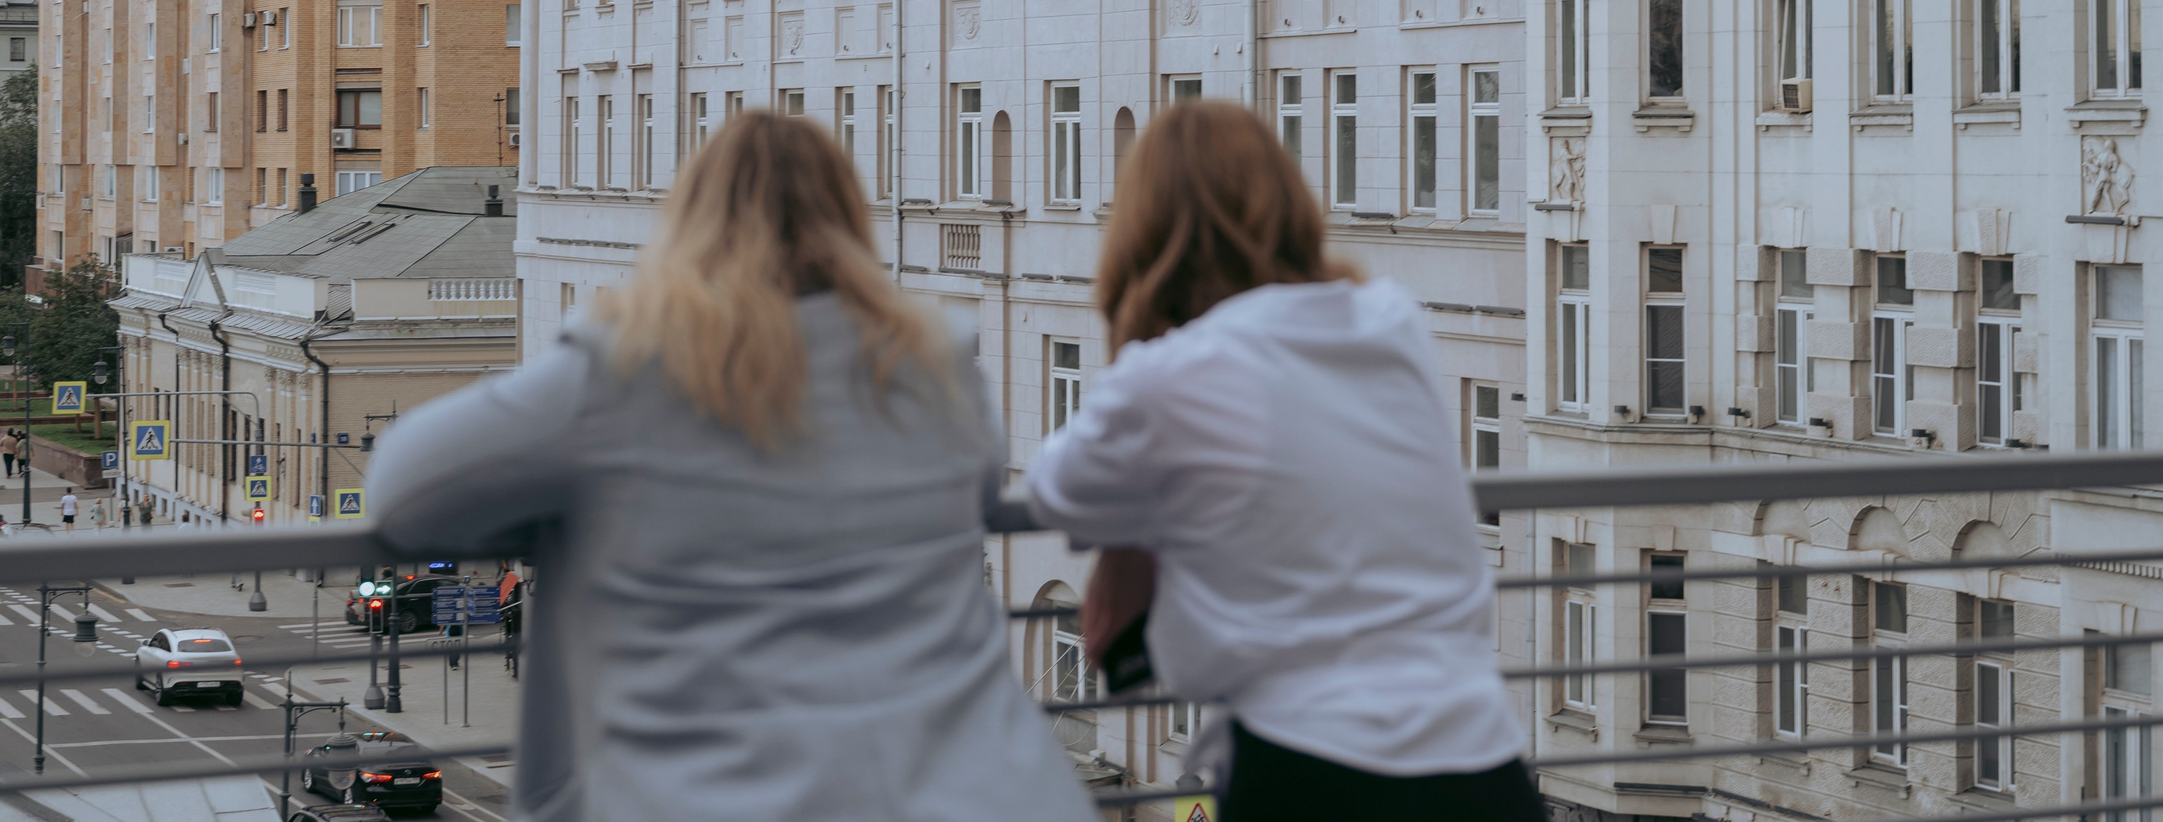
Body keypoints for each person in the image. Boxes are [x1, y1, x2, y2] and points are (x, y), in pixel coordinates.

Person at [368, 111, 1090, 822]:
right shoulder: (935, 368)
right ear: (851, 224)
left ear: (687, 223)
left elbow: (403, 490)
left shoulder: (628, 369)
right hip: (991, 788)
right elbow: (978, 478)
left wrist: (578, 493)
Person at [1027, 100, 1537, 822]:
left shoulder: (1177, 372)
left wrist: (1132, 533)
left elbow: (1056, 488)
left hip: (1310, 766)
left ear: (1142, 230)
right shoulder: (1389, 322)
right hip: (1482, 764)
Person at [496, 568, 523, 677]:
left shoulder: (514, 581)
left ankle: (512, 662)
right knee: (510, 637)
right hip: (509, 614)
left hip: (512, 614)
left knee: (511, 637)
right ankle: (511, 661)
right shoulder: (510, 580)